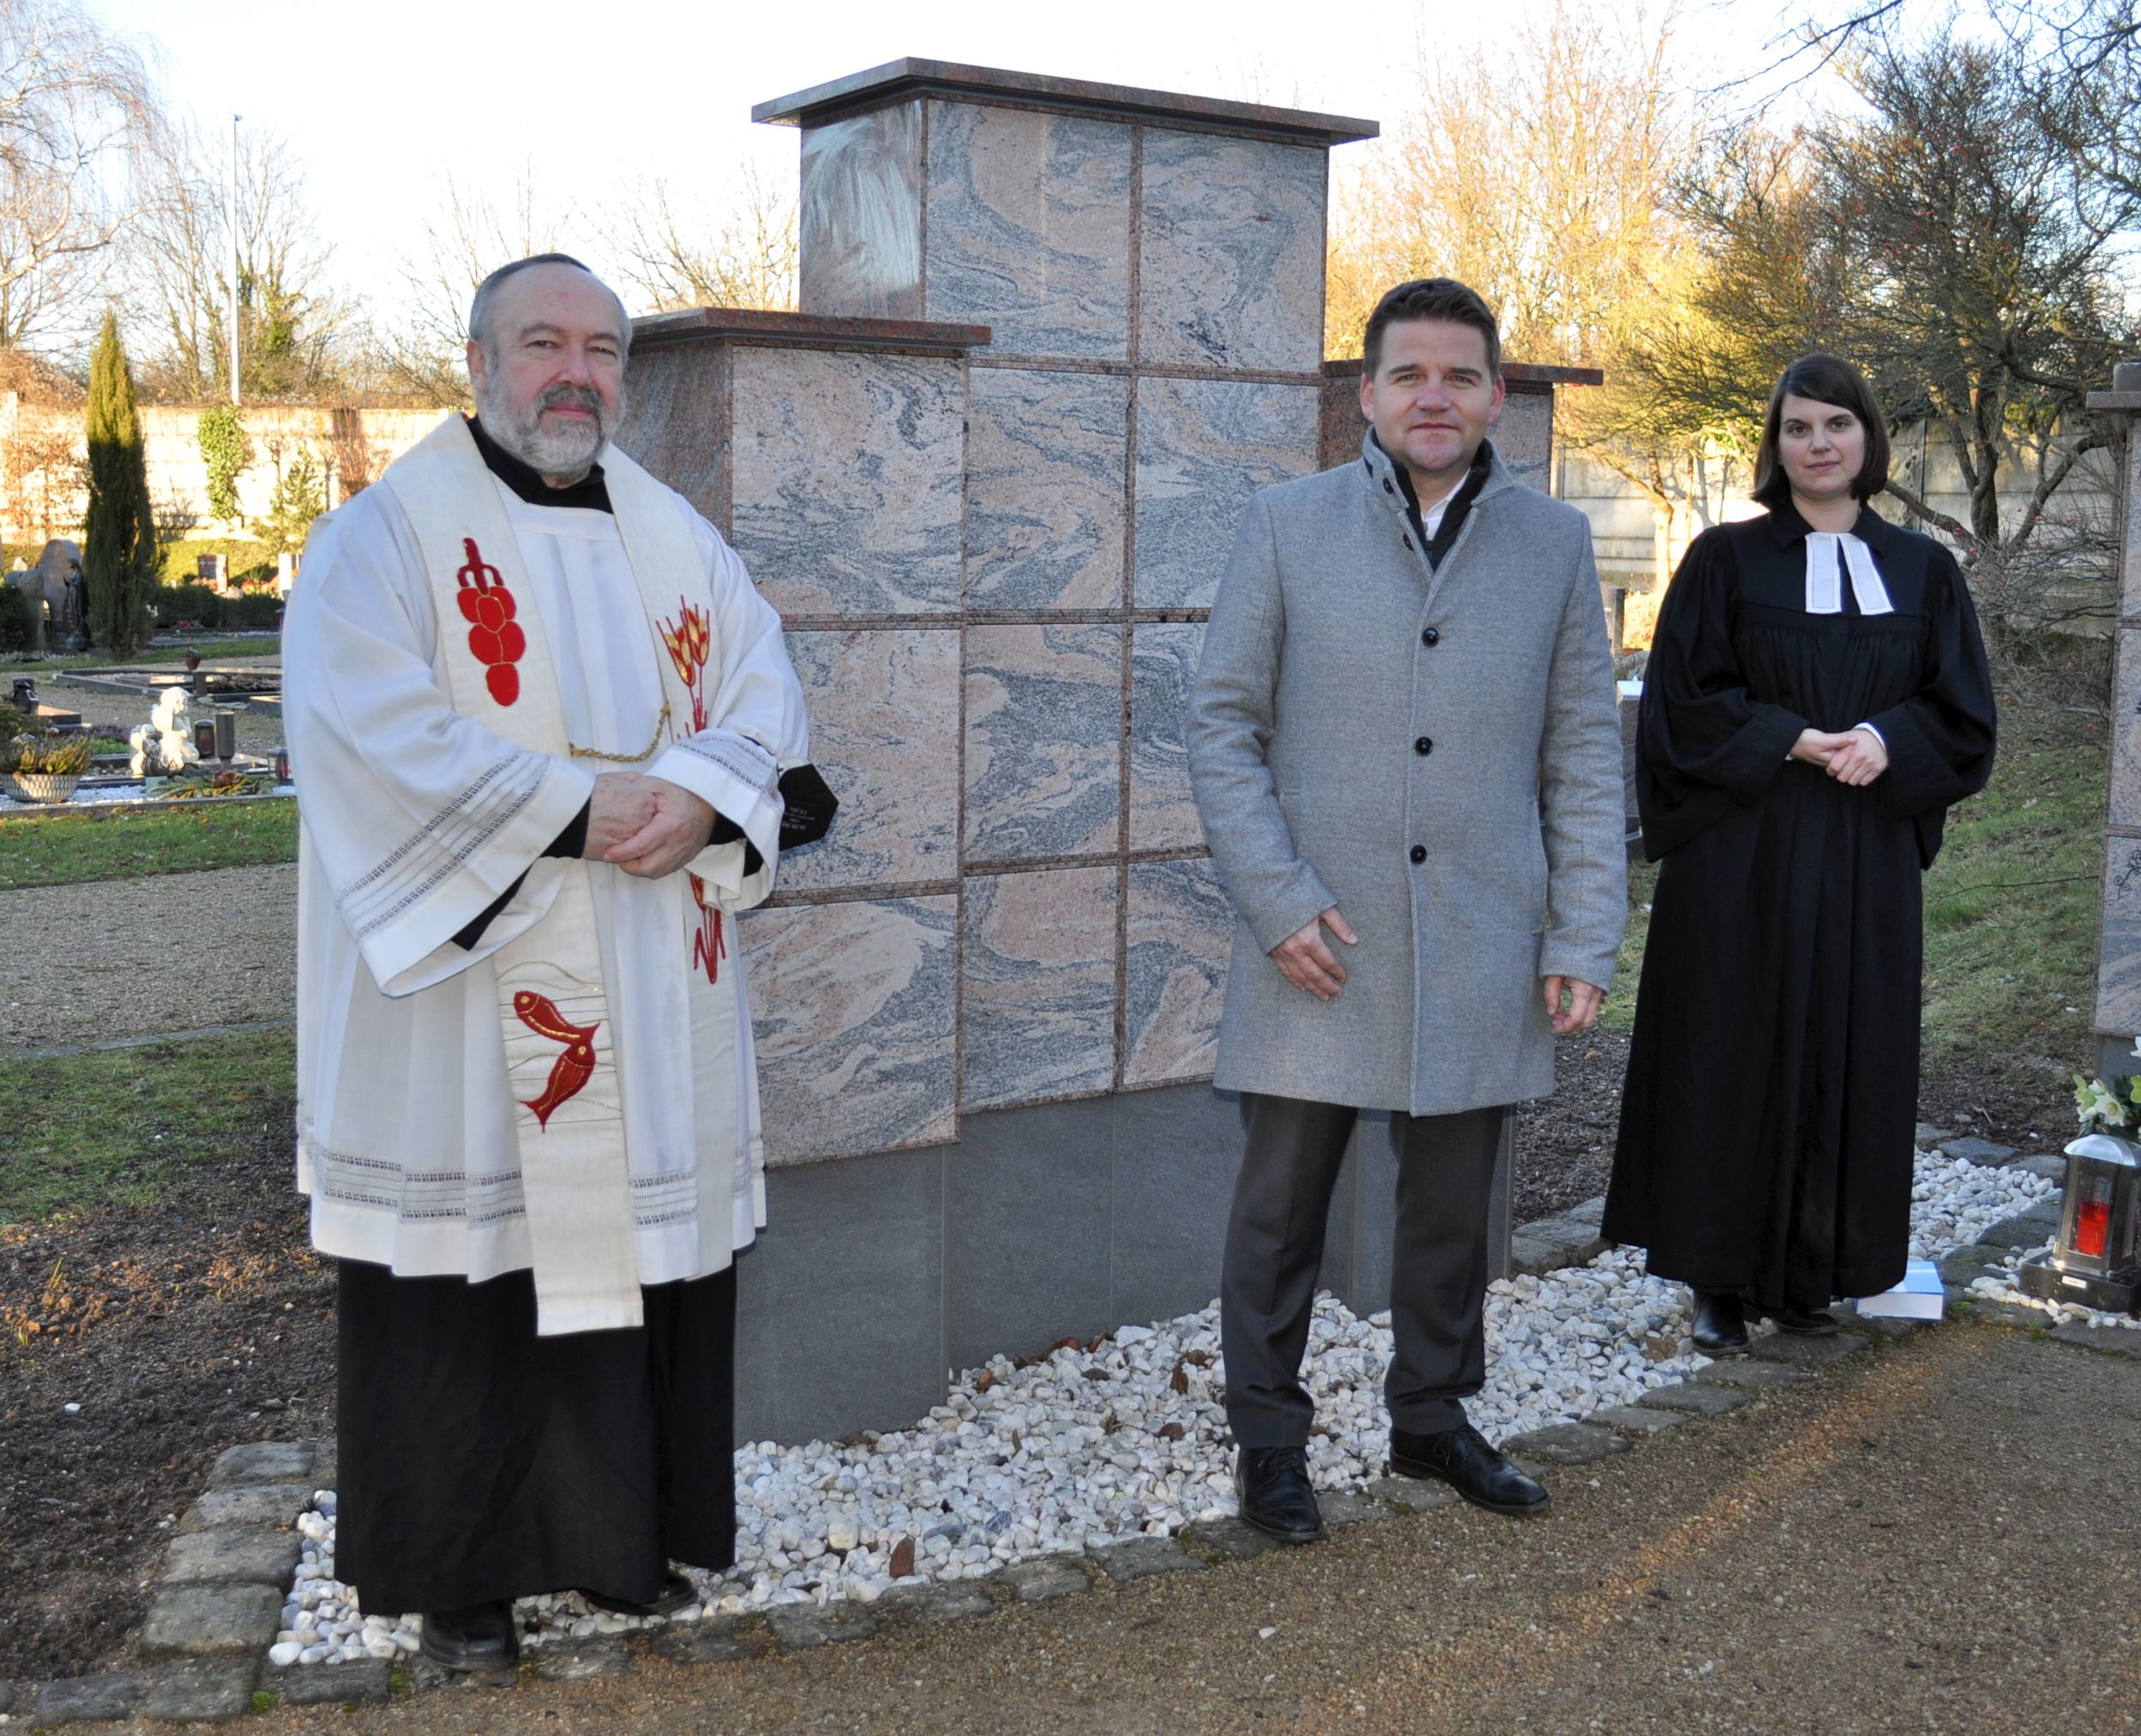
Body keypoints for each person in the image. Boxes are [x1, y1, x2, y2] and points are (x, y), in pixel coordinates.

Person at [284, 254, 833, 1670]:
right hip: (468, 1000)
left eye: (601, 349)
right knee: (466, 1289)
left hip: (643, 984)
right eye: (542, 343)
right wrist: (579, 812)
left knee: (630, 1273)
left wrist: (703, 797)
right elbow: (368, 733)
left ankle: (615, 1544)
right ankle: (457, 1581)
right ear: (478, 363)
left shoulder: (676, 537)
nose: (574, 374)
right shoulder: (380, 542)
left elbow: (763, 692)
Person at [1188, 277, 1627, 1541]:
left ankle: (1431, 1419)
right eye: (1408, 375)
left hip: (1485, 931)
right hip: (1319, 939)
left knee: (1450, 1210)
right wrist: (1277, 902)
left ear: (1494, 396)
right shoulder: (1285, 525)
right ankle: (1269, 1441)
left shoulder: (1554, 543)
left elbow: (1581, 753)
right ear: (1368, 395)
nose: (1434, 397)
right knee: (1279, 1210)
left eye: (1459, 376)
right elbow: (1221, 724)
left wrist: (1581, 932)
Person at [1603, 353, 1996, 1355]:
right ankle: (1715, 1276)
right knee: (1728, 1042)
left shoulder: (1923, 571)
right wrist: (1786, 737)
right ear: (1774, 447)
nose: (1818, 444)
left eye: (1836, 424)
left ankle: (1812, 1270)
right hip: (1740, 852)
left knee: (1845, 1044)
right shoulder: (1724, 560)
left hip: (1864, 855)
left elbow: (1960, 712)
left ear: (1868, 436)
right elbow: (1681, 701)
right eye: (1796, 428)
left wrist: (1886, 740)